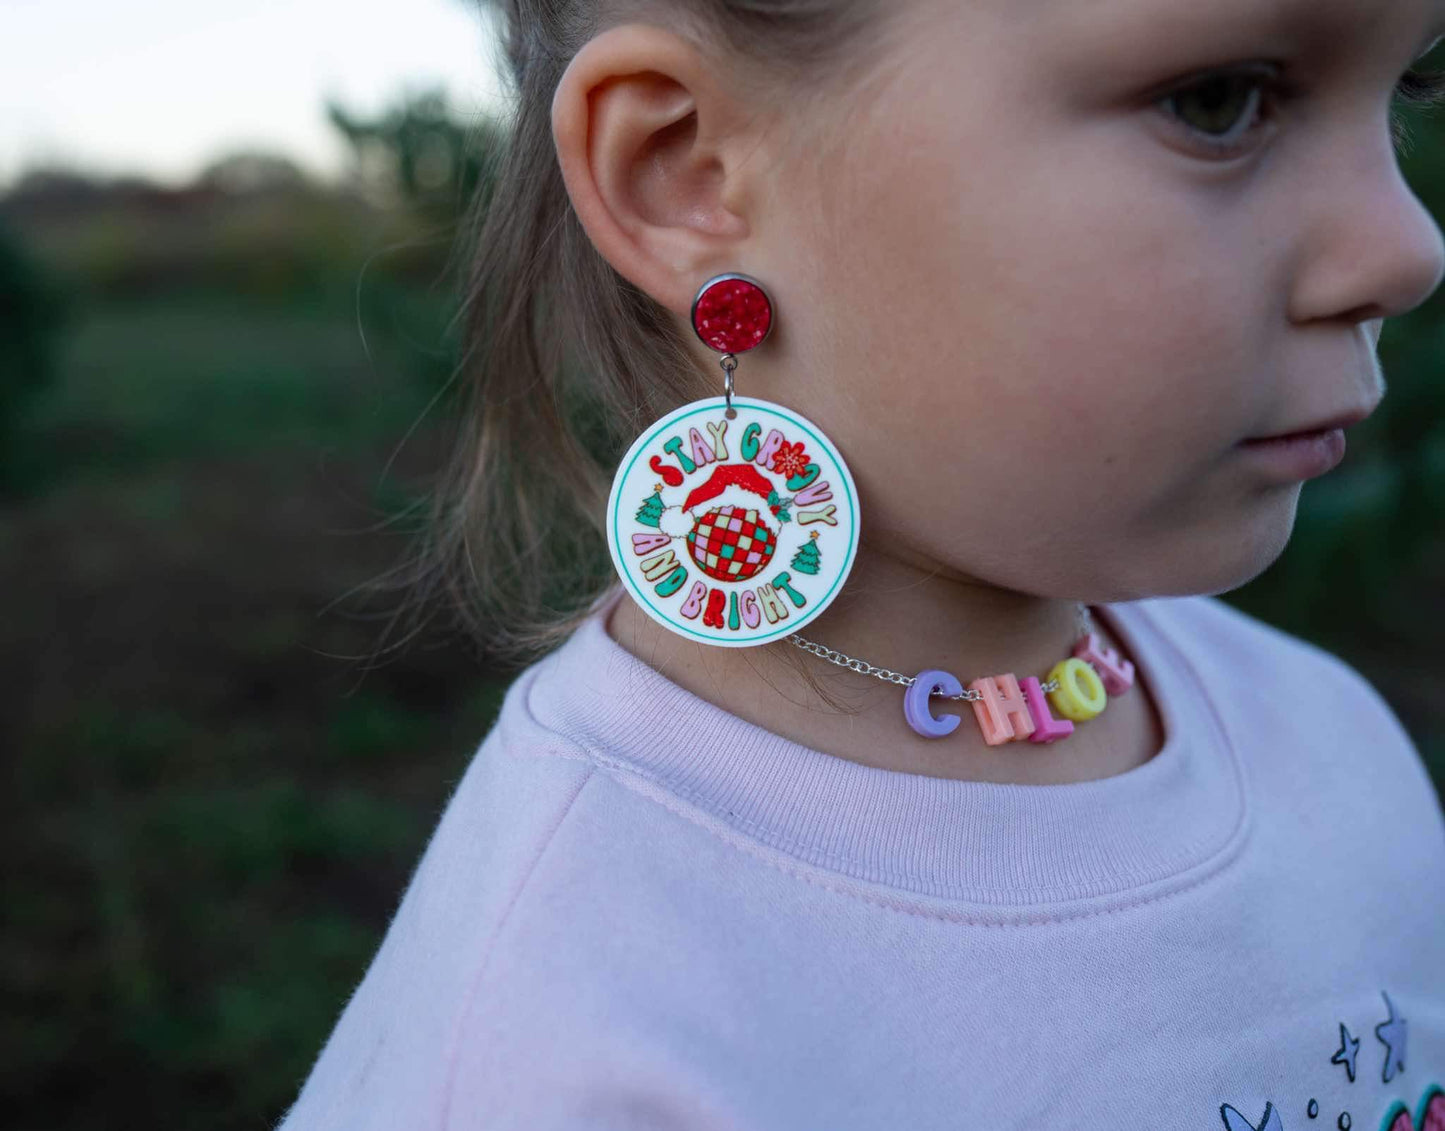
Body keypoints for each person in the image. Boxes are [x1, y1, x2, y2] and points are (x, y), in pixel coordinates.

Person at [275, 0, 1445, 1126]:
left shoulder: (1325, 736)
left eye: (1408, 86)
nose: (1405, 247)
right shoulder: (561, 1053)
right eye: (1216, 100)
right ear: (689, 173)